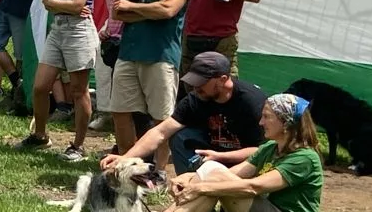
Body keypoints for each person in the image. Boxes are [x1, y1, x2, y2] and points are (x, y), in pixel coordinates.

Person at [117, 94, 324, 212]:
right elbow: (230, 173)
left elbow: (254, 187)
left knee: (213, 181)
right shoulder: (271, 148)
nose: (261, 122)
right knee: (212, 172)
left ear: (286, 123)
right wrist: (189, 179)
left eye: (267, 117)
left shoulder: (304, 158)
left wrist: (200, 188)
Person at [107, 0, 192, 172]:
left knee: (162, 118)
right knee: (120, 111)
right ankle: (126, 167)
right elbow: (117, 12)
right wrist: (151, 10)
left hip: (160, 54)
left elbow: (169, 10)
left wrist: (133, 7)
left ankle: (159, 171)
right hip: (128, 52)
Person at [101, 51, 267, 177]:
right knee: (180, 136)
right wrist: (125, 158)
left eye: (201, 82)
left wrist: (221, 157)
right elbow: (160, 132)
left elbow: (265, 150)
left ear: (223, 79)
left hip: (246, 162)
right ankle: (188, 185)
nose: (195, 88)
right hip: (211, 154)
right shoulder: (196, 98)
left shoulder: (253, 102)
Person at [25, 0, 98, 161]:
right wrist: (63, 5)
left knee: (79, 90)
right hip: (58, 28)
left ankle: (78, 145)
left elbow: (78, 4)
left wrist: (58, 4)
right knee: (40, 86)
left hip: (79, 31)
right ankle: (40, 136)